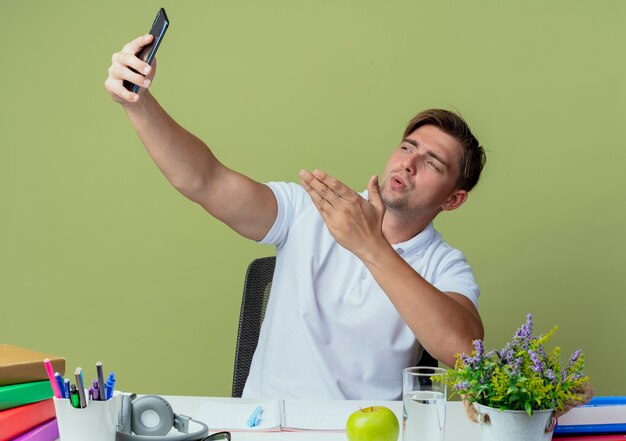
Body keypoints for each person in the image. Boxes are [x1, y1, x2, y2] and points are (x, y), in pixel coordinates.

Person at [105, 34, 486, 401]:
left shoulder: (443, 264)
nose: (409, 163)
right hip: (265, 427)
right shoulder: (314, 207)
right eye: (407, 147)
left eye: (432, 163)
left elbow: (466, 354)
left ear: (453, 199)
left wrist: (371, 246)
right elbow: (205, 180)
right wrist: (138, 104)